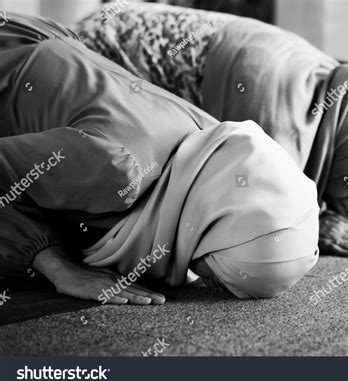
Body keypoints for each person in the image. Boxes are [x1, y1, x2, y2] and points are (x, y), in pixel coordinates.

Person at [79, 3, 348, 257]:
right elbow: (255, 219)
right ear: (347, 146)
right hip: (90, 54)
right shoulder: (275, 110)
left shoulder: (327, 96)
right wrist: (315, 225)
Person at [0, 13, 320, 303]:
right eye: (218, 279)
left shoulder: (215, 150)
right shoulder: (117, 168)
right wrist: (56, 264)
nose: (202, 282)